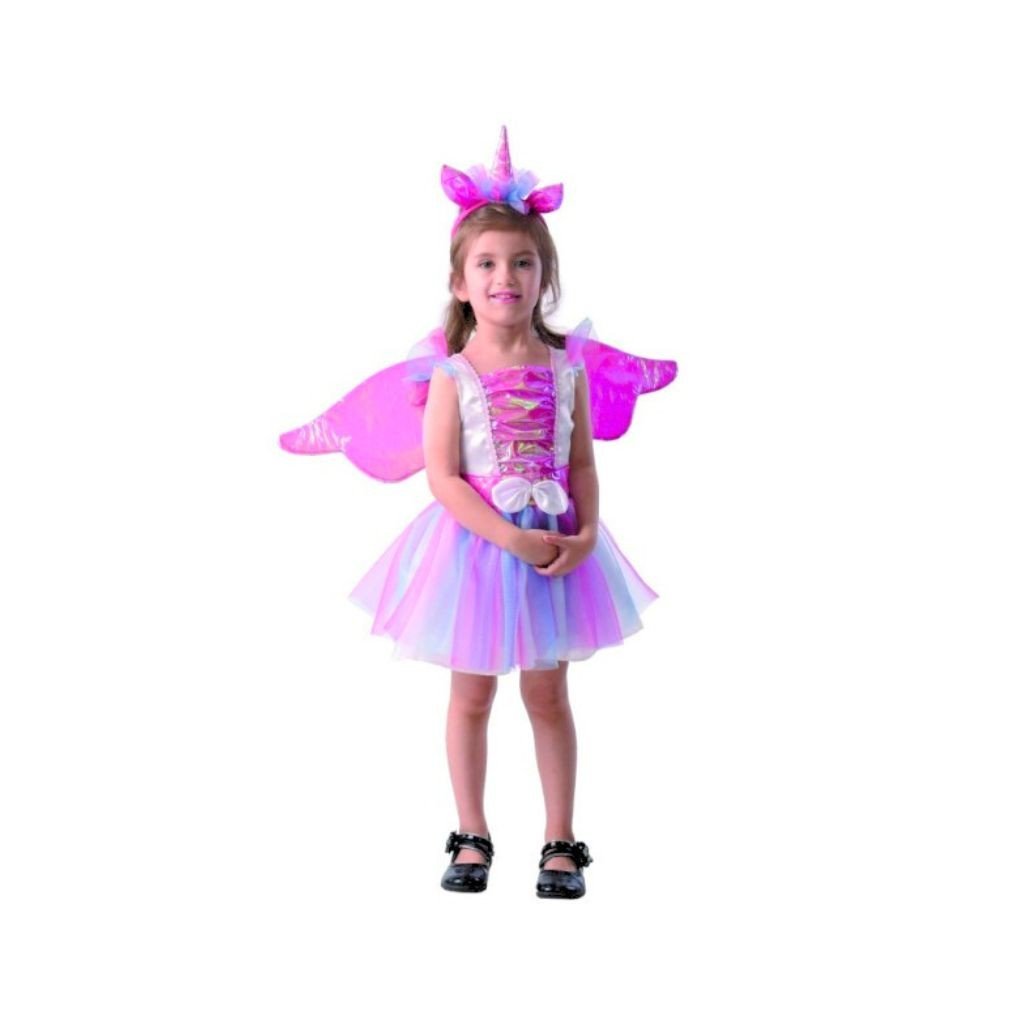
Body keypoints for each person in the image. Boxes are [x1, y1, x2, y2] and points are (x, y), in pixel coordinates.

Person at [280, 127, 677, 899]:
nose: (506, 277)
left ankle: (560, 838)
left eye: (523, 262)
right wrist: (508, 537)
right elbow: (444, 477)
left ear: (544, 277)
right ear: (460, 282)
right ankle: (471, 831)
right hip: (476, 551)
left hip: (556, 548)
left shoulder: (567, 369)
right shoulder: (450, 374)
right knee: (471, 694)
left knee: (548, 695)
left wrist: (583, 534)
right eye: (488, 263)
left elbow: (581, 464)